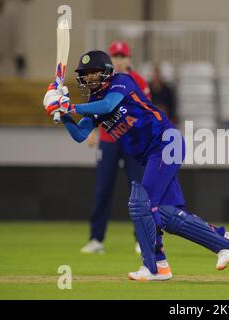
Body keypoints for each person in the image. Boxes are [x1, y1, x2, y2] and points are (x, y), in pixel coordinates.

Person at [43, 50, 229, 281]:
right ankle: (223, 241)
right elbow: (80, 134)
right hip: (149, 155)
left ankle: (155, 267)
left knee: (141, 204)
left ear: (106, 72)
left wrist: (70, 107)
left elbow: (109, 106)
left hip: (165, 142)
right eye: (85, 75)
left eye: (93, 72)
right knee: (166, 216)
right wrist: (61, 114)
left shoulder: (122, 82)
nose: (89, 78)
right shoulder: (93, 101)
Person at [80, 41, 151, 255]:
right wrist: (92, 131)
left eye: (122, 56)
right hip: (108, 141)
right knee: (102, 191)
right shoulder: (101, 80)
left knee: (138, 192)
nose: (119, 60)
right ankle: (96, 239)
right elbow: (96, 109)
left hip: (133, 143)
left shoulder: (138, 81)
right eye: (115, 56)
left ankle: (142, 239)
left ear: (129, 59)